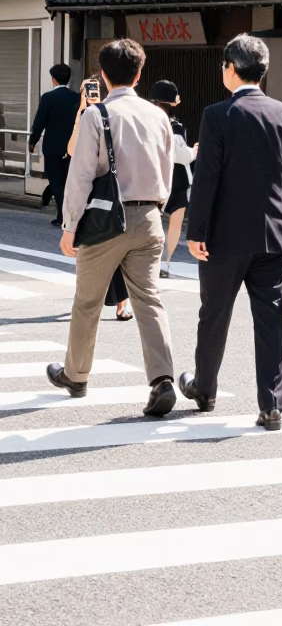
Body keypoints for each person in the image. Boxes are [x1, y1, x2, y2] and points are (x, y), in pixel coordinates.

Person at [179, 34, 282, 431]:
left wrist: (196, 230)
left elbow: (207, 179)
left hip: (224, 236)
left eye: (223, 66)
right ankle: (271, 406)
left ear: (231, 69)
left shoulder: (217, 115)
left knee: (214, 314)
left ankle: (205, 389)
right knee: (271, 318)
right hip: (275, 233)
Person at [47, 39, 177, 417]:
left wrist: (70, 225)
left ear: (103, 75)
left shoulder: (96, 115)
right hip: (149, 216)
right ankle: (162, 380)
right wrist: (156, 207)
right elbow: (167, 169)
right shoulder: (158, 116)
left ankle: (77, 375)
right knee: (149, 299)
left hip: (105, 220)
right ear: (139, 74)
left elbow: (81, 174)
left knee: (87, 301)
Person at [65, 77, 133, 322]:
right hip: (88, 193)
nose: (91, 92)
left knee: (113, 249)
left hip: (110, 190)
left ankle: (122, 303)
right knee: (88, 250)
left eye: (93, 88)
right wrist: (82, 111)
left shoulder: (113, 114)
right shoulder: (87, 115)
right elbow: (72, 150)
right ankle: (87, 301)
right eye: (86, 89)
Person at [149, 80, 198, 278]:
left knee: (153, 222)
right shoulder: (174, 126)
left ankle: (151, 261)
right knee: (175, 223)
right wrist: (195, 151)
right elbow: (181, 156)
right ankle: (165, 263)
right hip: (176, 178)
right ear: (174, 101)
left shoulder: (145, 120)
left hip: (151, 177)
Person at [28, 63, 80, 228]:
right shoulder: (77, 97)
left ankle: (62, 215)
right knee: (67, 180)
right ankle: (59, 205)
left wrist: (32, 141)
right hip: (72, 147)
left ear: (54, 79)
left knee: (56, 180)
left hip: (52, 147)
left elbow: (40, 122)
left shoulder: (48, 98)